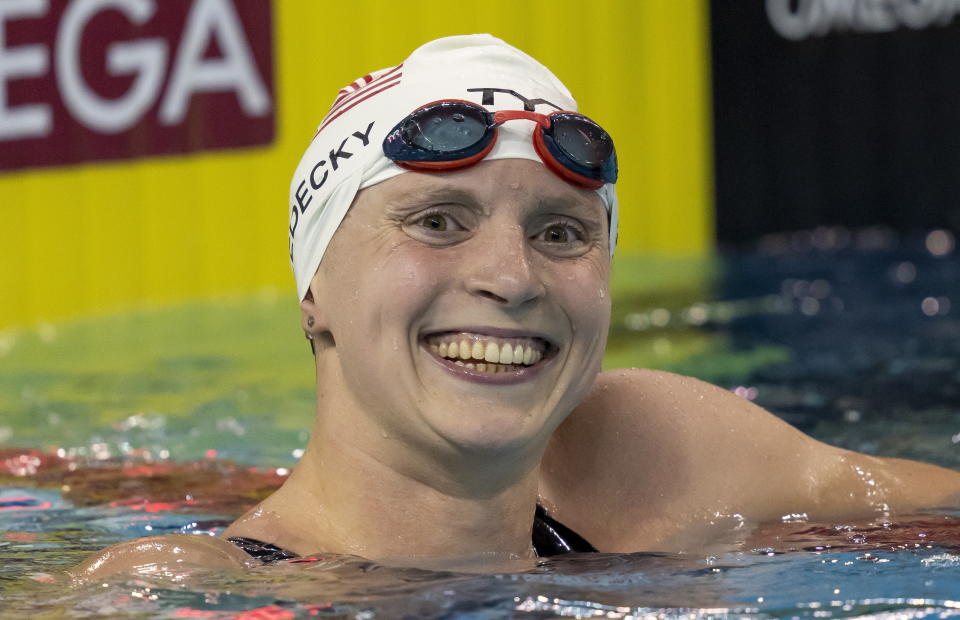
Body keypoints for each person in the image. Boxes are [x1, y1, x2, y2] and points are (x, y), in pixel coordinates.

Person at [69, 34, 960, 581]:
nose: (514, 276)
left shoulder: (659, 461)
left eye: (562, 234)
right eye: (438, 220)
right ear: (314, 294)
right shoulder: (190, 592)